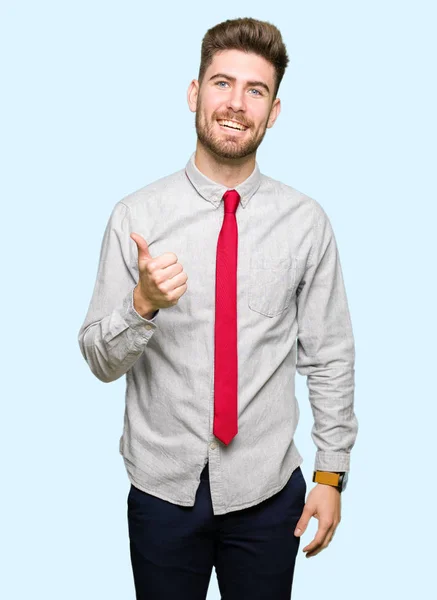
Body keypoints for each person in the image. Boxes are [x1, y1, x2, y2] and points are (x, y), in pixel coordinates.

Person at [78, 16, 358, 600]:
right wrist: (143, 305)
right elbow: (99, 359)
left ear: (274, 111)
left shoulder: (306, 223)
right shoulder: (136, 217)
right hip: (161, 495)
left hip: (266, 492)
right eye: (222, 83)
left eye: (255, 90)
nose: (236, 104)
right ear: (193, 93)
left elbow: (329, 355)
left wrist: (331, 474)